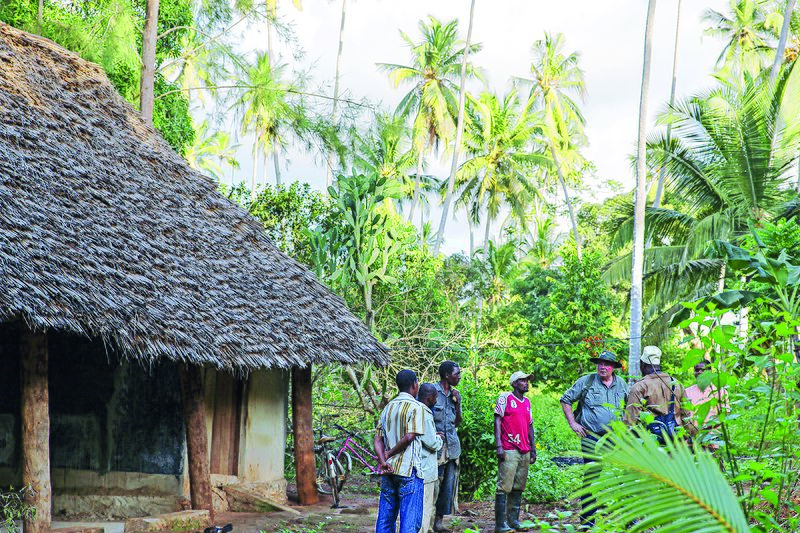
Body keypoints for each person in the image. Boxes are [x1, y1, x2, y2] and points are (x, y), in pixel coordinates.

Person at [560, 350, 628, 528]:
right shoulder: (587, 381)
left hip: (615, 438)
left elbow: (631, 408)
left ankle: (627, 520)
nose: (602, 366)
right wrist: (573, 423)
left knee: (621, 476)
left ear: (613, 367)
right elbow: (565, 399)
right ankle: (588, 522)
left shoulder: (622, 384)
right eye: (599, 363)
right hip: (591, 437)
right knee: (592, 476)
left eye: (606, 364)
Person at [375, 369, 426, 533]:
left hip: (388, 470)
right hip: (409, 469)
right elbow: (410, 437)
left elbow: (378, 439)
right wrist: (389, 453)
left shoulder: (387, 408)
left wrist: (383, 460)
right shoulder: (416, 407)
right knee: (410, 523)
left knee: (385, 519)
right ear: (414, 385)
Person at [625, 346, 698, 442]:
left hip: (650, 444)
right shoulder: (676, 384)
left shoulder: (640, 387)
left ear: (642, 364)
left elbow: (631, 422)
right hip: (677, 444)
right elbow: (687, 418)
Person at [494, 371, 536, 533]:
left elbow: (530, 425)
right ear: (514, 383)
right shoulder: (505, 398)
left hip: (524, 448)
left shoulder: (527, 402)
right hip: (509, 447)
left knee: (519, 486)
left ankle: (513, 520)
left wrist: (533, 448)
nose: (526, 383)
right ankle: (500, 524)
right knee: (504, 486)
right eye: (522, 380)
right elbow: (497, 420)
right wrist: (499, 445)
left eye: (527, 380)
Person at [432, 361, 462, 532]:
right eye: (456, 374)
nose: (459, 377)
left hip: (452, 447)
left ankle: (438, 523)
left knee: (447, 485)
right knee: (433, 484)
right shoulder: (431, 391)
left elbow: (458, 422)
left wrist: (457, 404)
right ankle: (426, 521)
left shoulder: (455, 394)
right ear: (446, 375)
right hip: (434, 448)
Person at [417, 383, 444, 533]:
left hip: (418, 467)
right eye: (435, 397)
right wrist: (439, 439)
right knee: (425, 506)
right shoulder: (425, 413)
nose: (436, 400)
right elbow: (431, 442)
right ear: (430, 397)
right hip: (426, 468)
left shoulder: (414, 409)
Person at [685, 360, 729, 450]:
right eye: (697, 370)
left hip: (712, 438)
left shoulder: (720, 391)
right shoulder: (687, 392)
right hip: (691, 441)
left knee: (714, 463)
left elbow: (724, 414)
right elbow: (682, 413)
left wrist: (705, 428)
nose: (699, 372)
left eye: (703, 370)